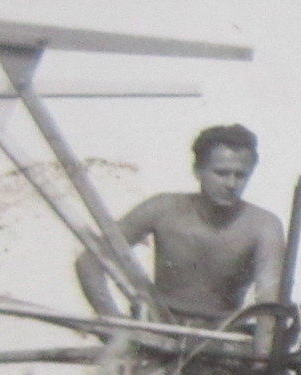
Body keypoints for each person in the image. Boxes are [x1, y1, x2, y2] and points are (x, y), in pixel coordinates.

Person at [76, 124, 286, 328]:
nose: (231, 184)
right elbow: (90, 261)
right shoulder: (162, 208)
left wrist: (262, 349)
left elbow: (269, 302)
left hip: (222, 337)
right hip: (158, 330)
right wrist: (114, 324)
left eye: (241, 175)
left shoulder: (264, 226)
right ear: (198, 171)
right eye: (221, 173)